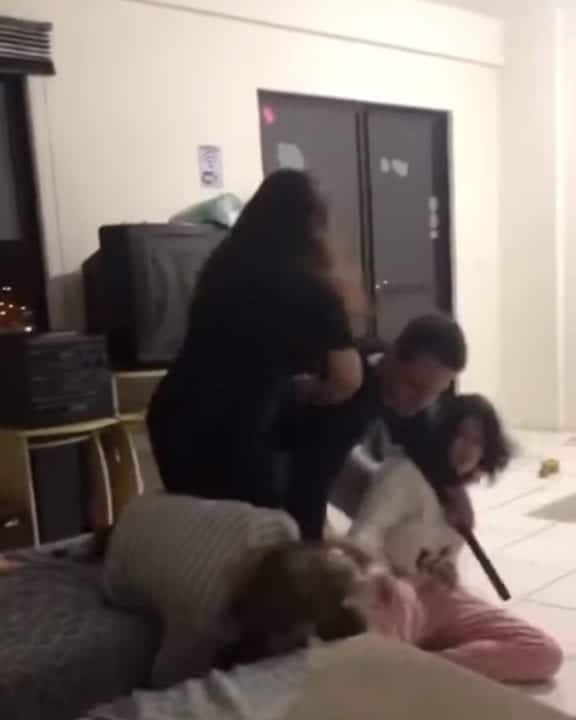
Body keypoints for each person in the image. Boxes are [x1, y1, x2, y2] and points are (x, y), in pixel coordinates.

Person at [147, 170, 362, 515]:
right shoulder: (311, 287)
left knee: (203, 531)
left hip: (176, 415)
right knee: (258, 535)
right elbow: (347, 378)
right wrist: (305, 391)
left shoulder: (221, 265)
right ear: (315, 226)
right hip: (237, 427)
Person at [344, 394, 562, 685]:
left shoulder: (456, 494)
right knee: (377, 659)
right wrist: (389, 578)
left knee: (544, 653)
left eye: (477, 442)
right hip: (391, 595)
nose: (467, 449)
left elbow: (433, 555)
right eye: (460, 436)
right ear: (442, 434)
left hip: (435, 598)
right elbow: (362, 538)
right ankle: (405, 667)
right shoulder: (404, 475)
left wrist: (445, 569)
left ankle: (425, 668)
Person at [278, 314, 468, 539]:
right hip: (274, 450)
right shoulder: (347, 393)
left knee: (393, 497)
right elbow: (309, 483)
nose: (421, 402)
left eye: (434, 393)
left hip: (321, 455)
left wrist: (457, 494)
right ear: (392, 357)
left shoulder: (397, 385)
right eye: (415, 387)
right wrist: (313, 546)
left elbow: (424, 447)